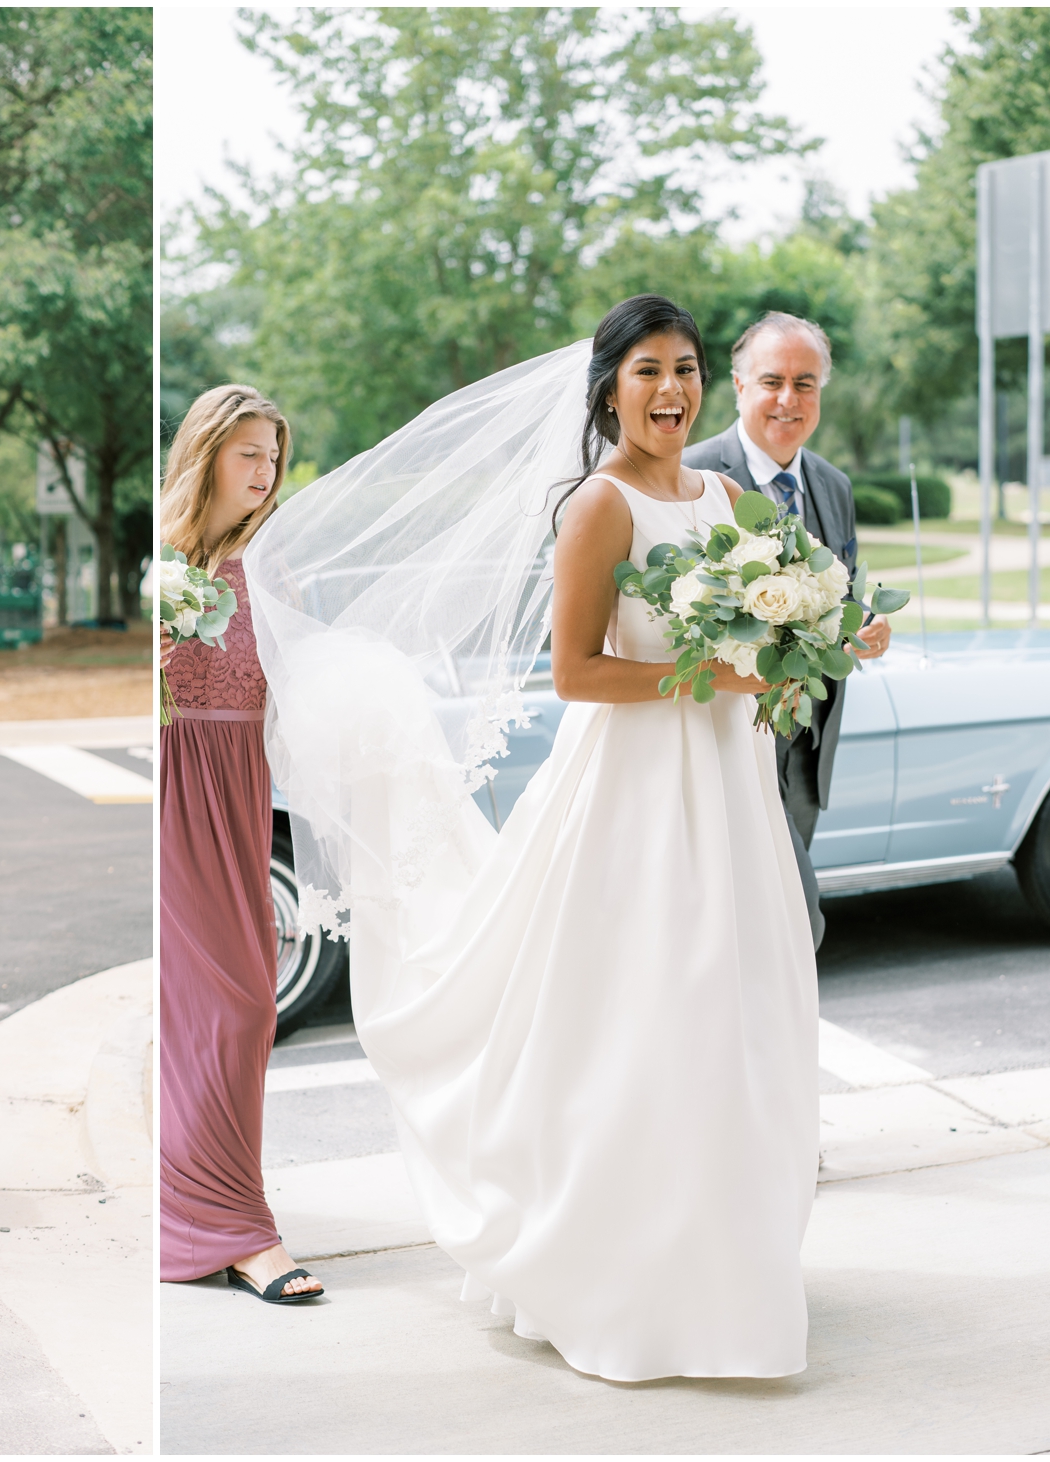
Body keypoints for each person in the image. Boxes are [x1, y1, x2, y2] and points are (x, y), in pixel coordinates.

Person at [247, 296, 819, 1379]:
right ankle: (618, 1277)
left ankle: (722, 1269)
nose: (670, 389)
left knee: (738, 1025)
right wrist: (717, 673)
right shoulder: (597, 507)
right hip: (636, 794)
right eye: (646, 369)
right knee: (649, 1022)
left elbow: (789, 620)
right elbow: (575, 673)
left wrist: (836, 630)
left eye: (686, 368)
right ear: (607, 388)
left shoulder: (729, 499)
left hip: (728, 786)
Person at [158, 385, 325, 1305]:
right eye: (248, 454)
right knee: (221, 1005)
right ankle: (235, 1229)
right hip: (176, 786)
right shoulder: (165, 559)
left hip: (240, 788)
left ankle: (199, 1197)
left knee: (249, 1000)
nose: (264, 473)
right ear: (209, 454)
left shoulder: (277, 561)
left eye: (273, 456)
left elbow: (297, 680)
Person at [684, 312, 892, 947]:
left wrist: (864, 626)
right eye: (772, 380)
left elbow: (841, 596)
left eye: (806, 383)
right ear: (740, 387)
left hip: (807, 749)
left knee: (766, 932)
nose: (788, 399)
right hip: (721, 744)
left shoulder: (832, 485)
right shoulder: (689, 476)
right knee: (794, 924)